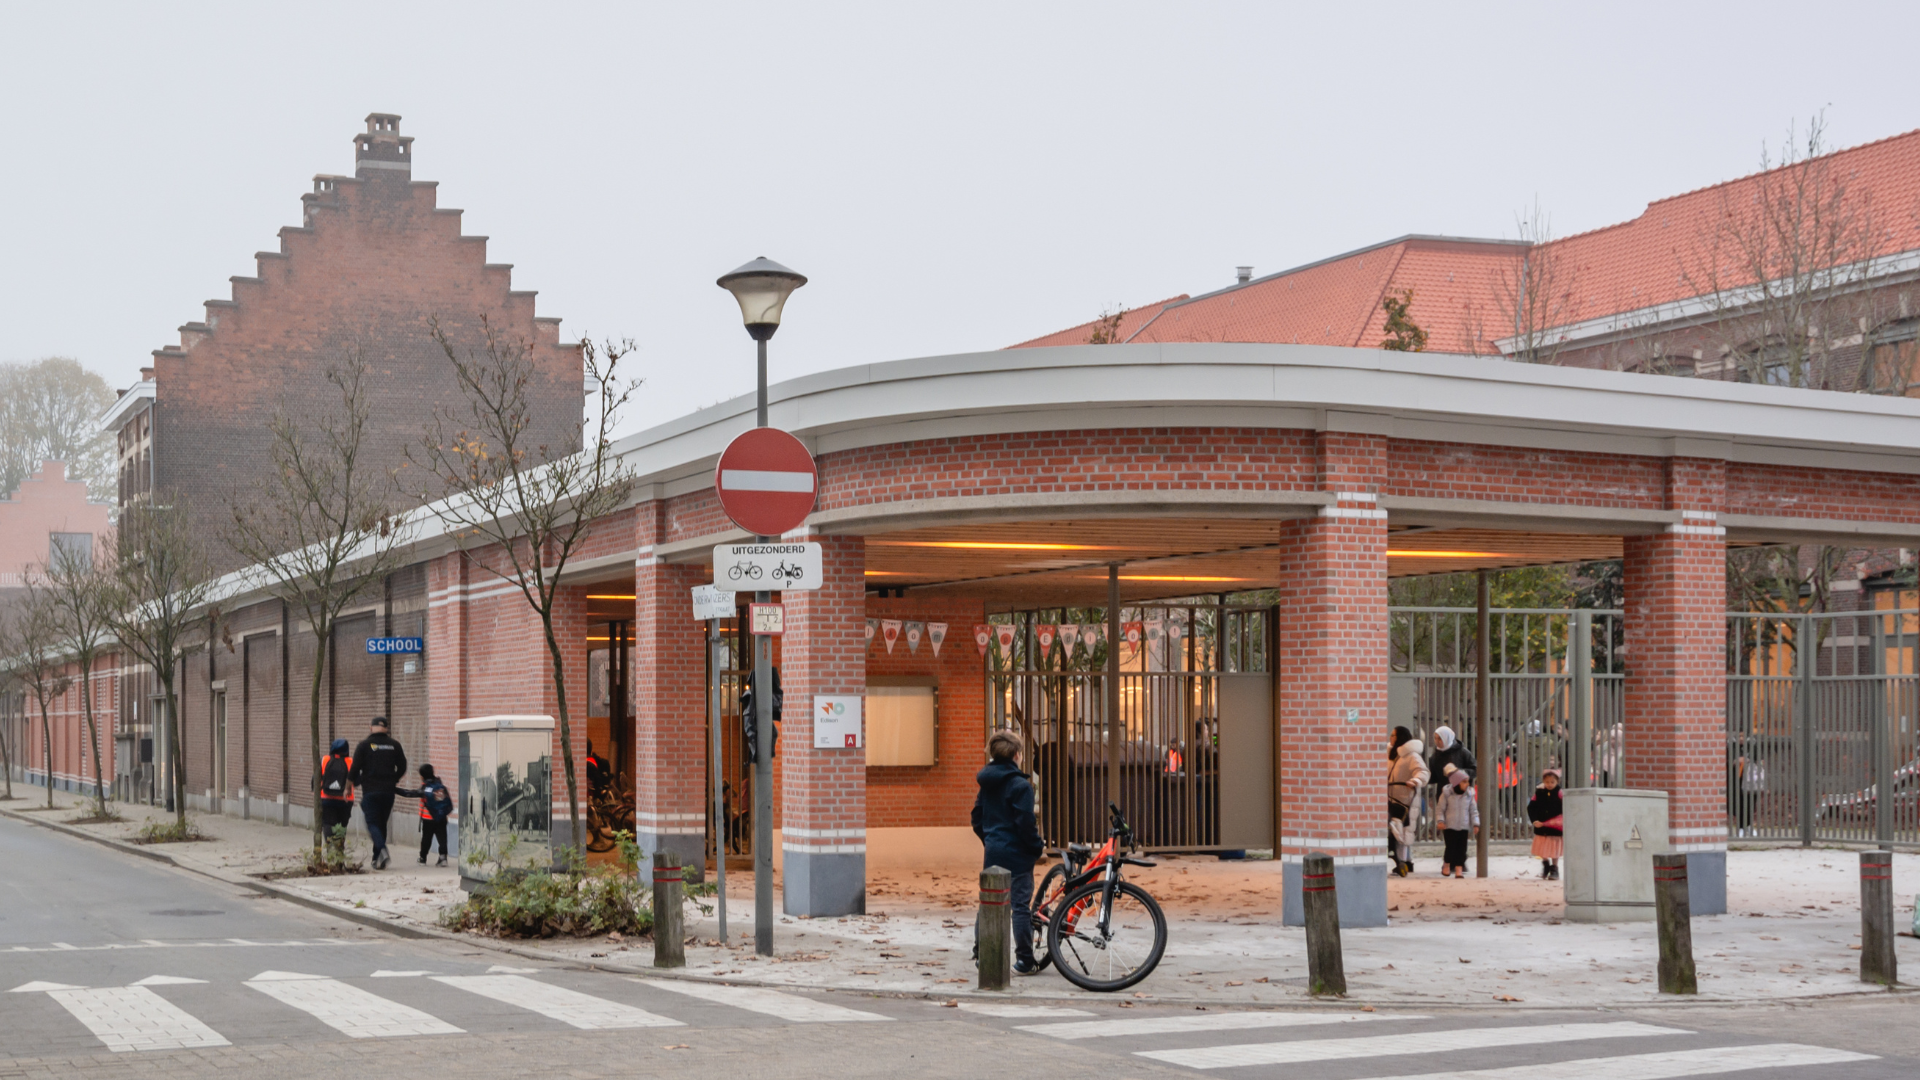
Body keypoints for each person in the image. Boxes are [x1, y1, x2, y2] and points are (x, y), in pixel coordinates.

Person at [971, 731, 1045, 974]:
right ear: (1016, 755)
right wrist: (1035, 847)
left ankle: (982, 953)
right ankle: (1024, 959)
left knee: (989, 903)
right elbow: (1025, 822)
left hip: (993, 852)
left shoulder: (986, 784)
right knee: (1020, 906)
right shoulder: (1020, 786)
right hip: (1018, 855)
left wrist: (990, 839)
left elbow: (976, 818)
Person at [350, 716, 407, 870]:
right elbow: (403, 766)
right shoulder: (394, 745)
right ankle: (377, 859)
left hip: (371, 791)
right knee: (382, 824)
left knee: (372, 823)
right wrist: (393, 779)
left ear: (371, 727)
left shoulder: (363, 745)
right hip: (388, 792)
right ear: (386, 729)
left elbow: (355, 768)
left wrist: (348, 785)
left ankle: (381, 849)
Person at [1387, 729, 1428, 877]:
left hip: (1405, 800)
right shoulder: (1391, 754)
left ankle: (1403, 862)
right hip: (1390, 798)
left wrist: (1415, 781)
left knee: (1402, 831)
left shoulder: (1412, 755)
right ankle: (1404, 860)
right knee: (1396, 831)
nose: (1390, 738)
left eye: (1393, 735)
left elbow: (1423, 772)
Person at [396, 763, 453, 866]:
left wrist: (394, 789)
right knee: (442, 838)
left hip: (428, 818)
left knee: (426, 839)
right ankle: (443, 858)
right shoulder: (439, 785)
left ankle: (422, 858)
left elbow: (409, 793)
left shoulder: (425, 788)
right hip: (441, 817)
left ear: (422, 776)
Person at [1435, 764, 1479, 878]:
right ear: (1457, 783)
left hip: (1464, 825)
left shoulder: (1469, 794)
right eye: (1464, 782)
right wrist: (1440, 820)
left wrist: (1475, 823)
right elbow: (1440, 808)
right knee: (1450, 847)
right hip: (1450, 825)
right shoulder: (1447, 794)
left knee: (1462, 849)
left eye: (1468, 781)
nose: (1467, 784)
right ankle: (1446, 865)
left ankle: (1459, 868)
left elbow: (1473, 810)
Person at [318, 738, 355, 856]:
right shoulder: (350, 762)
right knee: (342, 825)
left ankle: (330, 848)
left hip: (326, 798)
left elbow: (316, 777)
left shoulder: (324, 760)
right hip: (345, 800)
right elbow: (357, 780)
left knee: (328, 823)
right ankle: (339, 850)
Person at [1527, 768, 1565, 880]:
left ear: (1557, 782)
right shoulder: (1539, 792)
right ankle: (1545, 864)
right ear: (1543, 781)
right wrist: (1534, 820)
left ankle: (1554, 868)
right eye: (1547, 782)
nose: (1549, 784)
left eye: (1552, 782)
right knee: (1542, 847)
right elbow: (1531, 807)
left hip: (1555, 828)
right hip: (1541, 825)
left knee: (1554, 848)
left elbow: (1566, 806)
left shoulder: (1560, 793)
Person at [1427, 725, 1477, 800]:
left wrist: (1459, 773)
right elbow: (1434, 777)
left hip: (1462, 796)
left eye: (1440, 738)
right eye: (1435, 738)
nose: (1437, 741)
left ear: (1447, 738)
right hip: (1443, 796)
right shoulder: (1435, 756)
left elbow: (1475, 770)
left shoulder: (1462, 752)